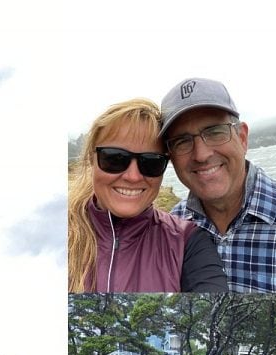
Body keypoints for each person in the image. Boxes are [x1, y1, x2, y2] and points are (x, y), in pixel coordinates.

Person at [68, 98, 227, 293]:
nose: (133, 176)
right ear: (91, 160)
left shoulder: (188, 243)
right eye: (115, 159)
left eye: (150, 163)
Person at [161, 78, 276, 293]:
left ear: (243, 138)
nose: (201, 154)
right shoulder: (171, 230)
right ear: (170, 157)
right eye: (182, 141)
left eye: (215, 132)